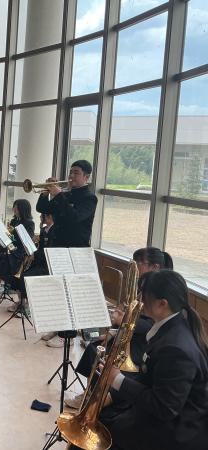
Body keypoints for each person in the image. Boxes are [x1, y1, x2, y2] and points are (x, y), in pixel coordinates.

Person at [96, 270, 208, 450]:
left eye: (144, 296)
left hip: (176, 433)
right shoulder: (172, 326)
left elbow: (164, 408)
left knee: (103, 430)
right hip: (163, 415)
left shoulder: (176, 349)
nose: (140, 300)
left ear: (162, 304)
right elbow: (151, 379)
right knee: (102, 416)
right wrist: (114, 393)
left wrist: (117, 379)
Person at [64, 247, 174, 407]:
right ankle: (91, 393)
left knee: (105, 357)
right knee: (95, 348)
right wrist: (115, 327)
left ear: (155, 266)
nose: (136, 268)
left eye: (140, 264)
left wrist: (124, 320)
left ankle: (101, 398)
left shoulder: (161, 290)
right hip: (131, 336)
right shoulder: (145, 286)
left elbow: (152, 324)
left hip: (144, 344)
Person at [36, 159, 98, 248]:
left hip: (76, 247)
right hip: (56, 245)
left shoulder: (90, 198)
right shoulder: (65, 195)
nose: (71, 175)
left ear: (86, 177)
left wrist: (59, 195)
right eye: (70, 172)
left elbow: (75, 217)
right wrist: (45, 194)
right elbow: (42, 208)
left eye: (76, 173)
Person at [0, 199, 35, 297]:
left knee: (2, 258)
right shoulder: (14, 221)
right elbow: (9, 237)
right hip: (10, 247)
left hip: (20, 250)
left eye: (16, 209)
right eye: (14, 208)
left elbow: (27, 240)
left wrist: (15, 232)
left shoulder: (29, 223)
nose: (14, 210)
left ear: (22, 209)